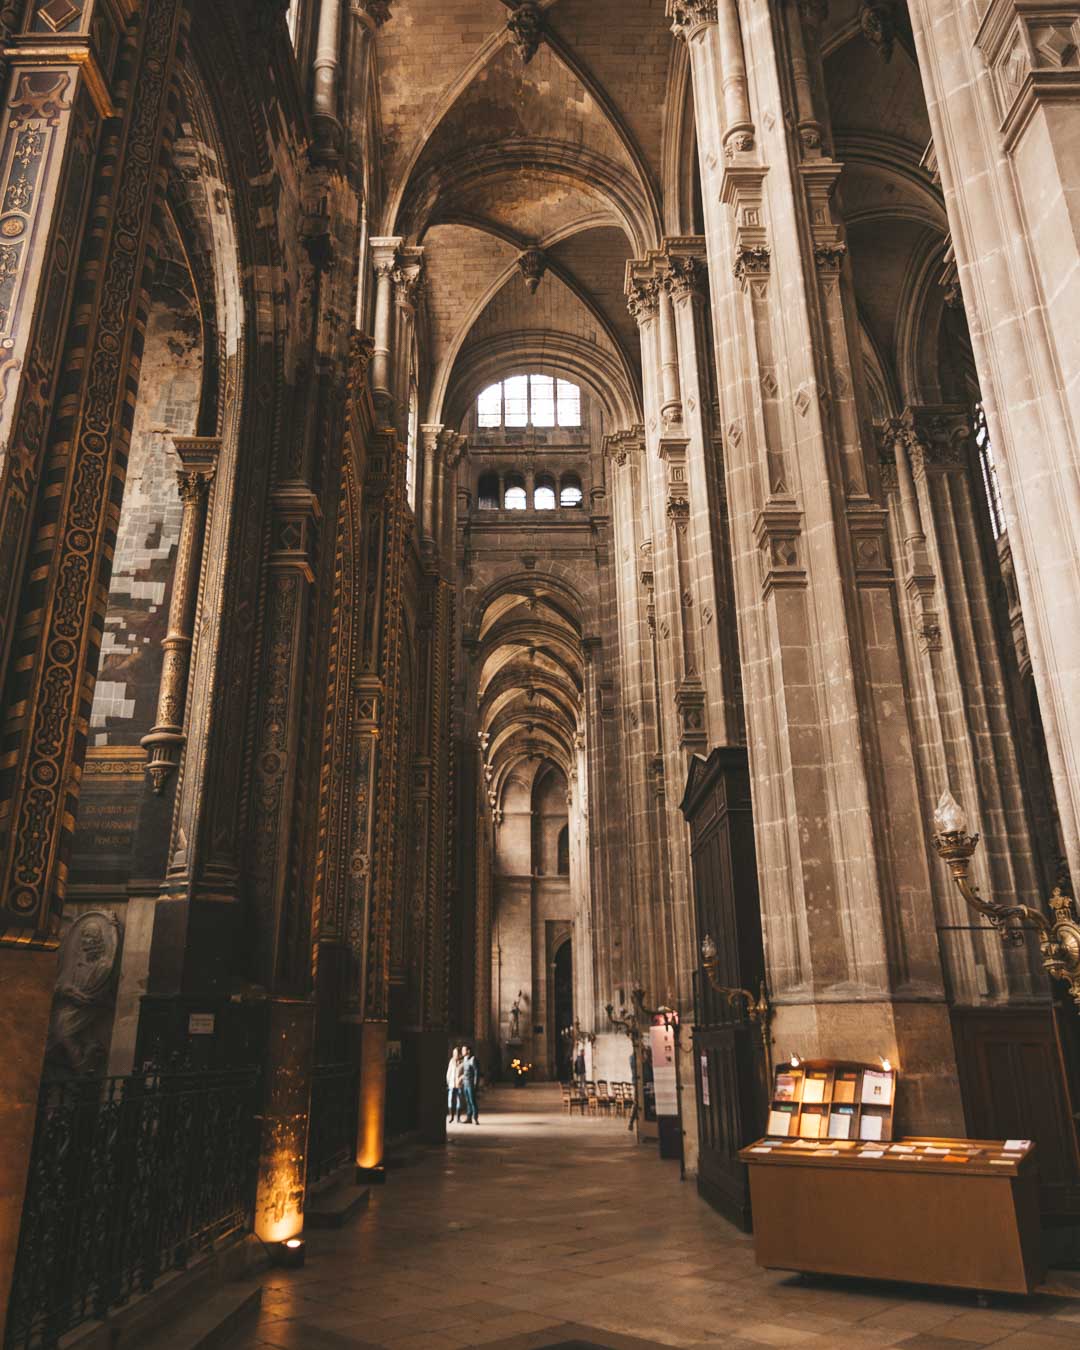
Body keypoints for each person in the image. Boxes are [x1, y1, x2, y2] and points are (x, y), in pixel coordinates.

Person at [461, 1045, 480, 1124]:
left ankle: (475, 1118)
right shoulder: (464, 1059)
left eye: (463, 1050)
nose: (462, 1052)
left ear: (468, 1051)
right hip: (465, 1083)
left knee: (472, 1101)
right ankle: (469, 1118)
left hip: (471, 1084)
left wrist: (475, 1084)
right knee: (468, 1101)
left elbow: (476, 1072)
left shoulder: (473, 1059)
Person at [446, 1045, 463, 1123]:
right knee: (450, 1100)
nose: (455, 1054)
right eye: (454, 1053)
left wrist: (461, 1079)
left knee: (459, 1101)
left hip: (459, 1084)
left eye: (456, 1053)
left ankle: (458, 1118)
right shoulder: (451, 1061)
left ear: (459, 1054)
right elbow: (448, 1072)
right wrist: (448, 1081)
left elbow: (464, 1073)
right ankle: (451, 1117)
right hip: (452, 1084)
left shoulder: (462, 1062)